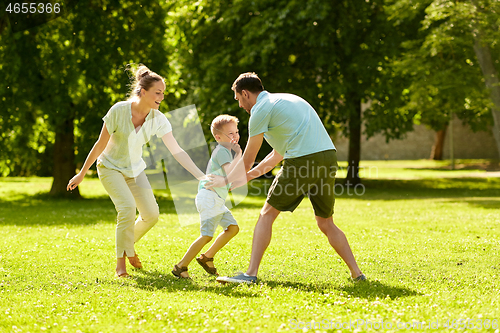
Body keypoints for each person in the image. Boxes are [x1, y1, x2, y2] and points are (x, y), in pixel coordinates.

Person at [213, 72, 365, 284]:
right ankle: (357, 274)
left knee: (267, 214)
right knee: (326, 222)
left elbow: (248, 160)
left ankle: (250, 274)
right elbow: (276, 155)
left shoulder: (259, 110)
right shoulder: (286, 100)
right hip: (328, 158)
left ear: (245, 93)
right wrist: (243, 179)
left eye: (238, 99)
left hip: (302, 160)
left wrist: (226, 182)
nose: (240, 105)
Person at [67, 65, 209, 278]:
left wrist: (201, 175)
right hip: (110, 167)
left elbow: (177, 150)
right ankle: (120, 265)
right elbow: (100, 144)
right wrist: (81, 173)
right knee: (127, 208)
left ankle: (128, 245)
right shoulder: (118, 110)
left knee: (151, 214)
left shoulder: (158, 119)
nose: (161, 97)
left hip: (134, 170)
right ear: (143, 92)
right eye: (157, 93)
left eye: (163, 93)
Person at [172, 115, 241, 279]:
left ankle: (207, 257)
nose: (235, 136)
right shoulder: (223, 151)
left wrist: (227, 185)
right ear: (218, 137)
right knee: (207, 235)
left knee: (232, 228)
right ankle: (181, 266)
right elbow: (231, 171)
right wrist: (239, 154)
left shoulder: (225, 152)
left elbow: (226, 176)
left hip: (215, 199)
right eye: (230, 133)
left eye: (236, 132)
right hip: (209, 199)